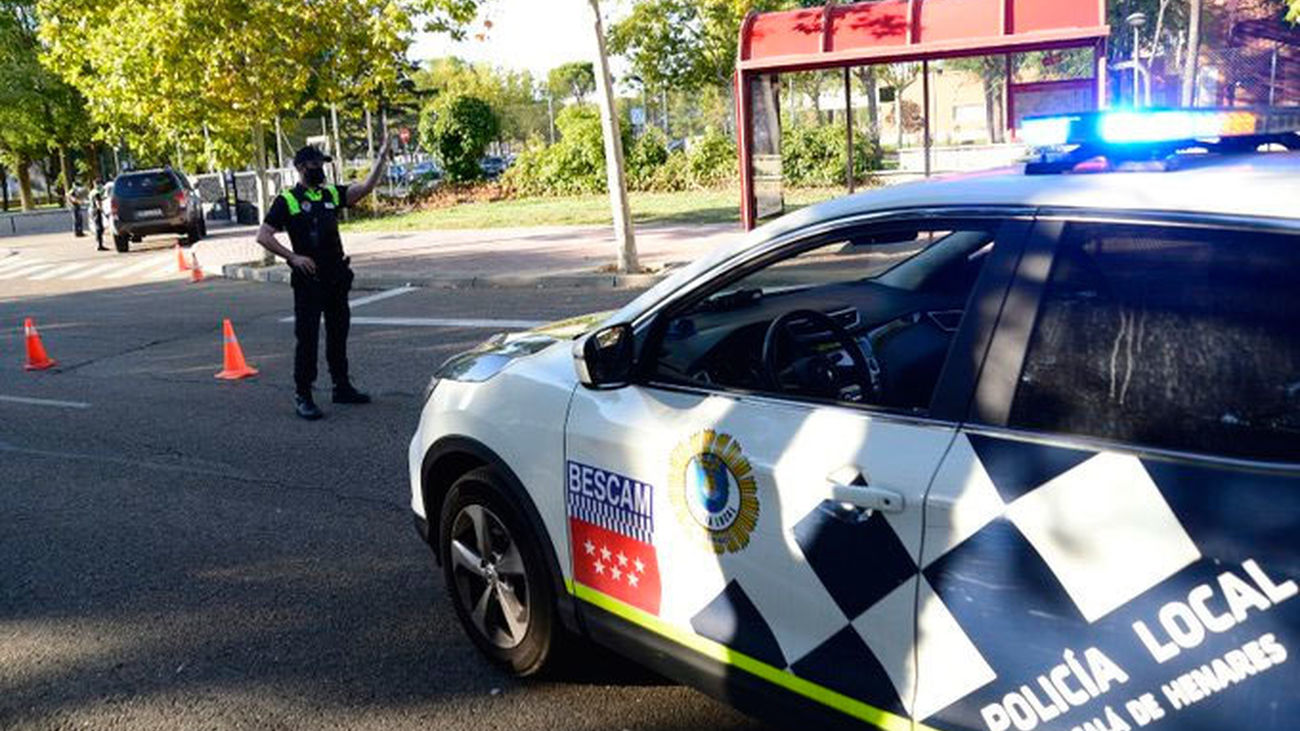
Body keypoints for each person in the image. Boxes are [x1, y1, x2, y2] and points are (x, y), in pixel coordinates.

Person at [255, 138, 392, 420]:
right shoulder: (288, 200)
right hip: (309, 281)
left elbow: (364, 189)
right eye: (317, 164)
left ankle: (341, 387)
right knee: (307, 340)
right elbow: (263, 235)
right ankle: (303, 395)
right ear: (303, 167)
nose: (322, 169)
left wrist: (381, 158)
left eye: (323, 164)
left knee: (338, 334)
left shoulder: (329, 194)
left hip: (336, 278)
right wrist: (292, 257)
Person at [88, 178, 107, 251]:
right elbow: (98, 202)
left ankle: (99, 243)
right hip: (96, 210)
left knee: (97, 226)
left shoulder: (92, 192)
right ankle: (99, 244)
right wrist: (102, 210)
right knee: (99, 227)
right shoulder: (96, 193)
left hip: (92, 210)